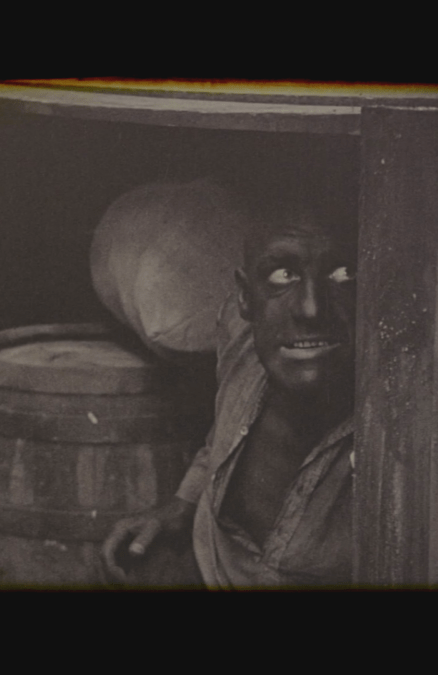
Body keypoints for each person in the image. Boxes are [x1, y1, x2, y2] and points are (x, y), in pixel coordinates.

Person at [102, 188, 360, 588]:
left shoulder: (397, 425)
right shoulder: (240, 337)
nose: (311, 308)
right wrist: (182, 503)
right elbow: (222, 427)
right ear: (244, 297)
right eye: (283, 275)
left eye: (342, 274)